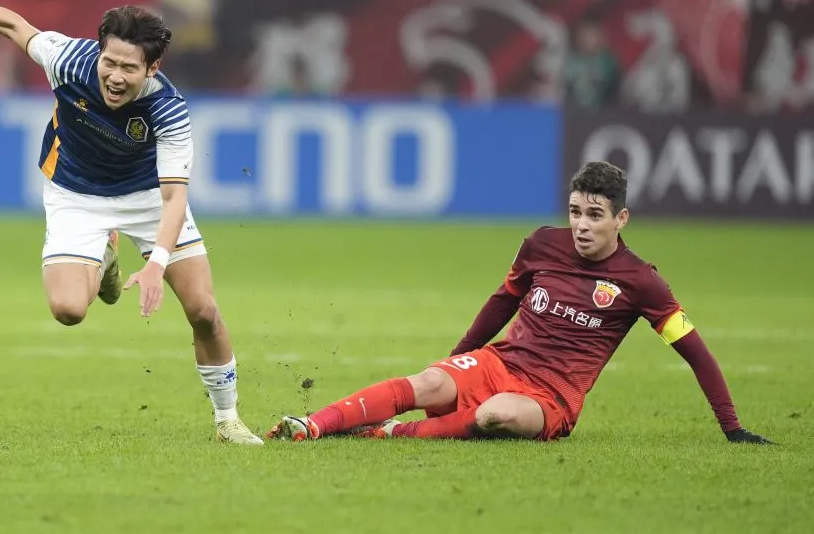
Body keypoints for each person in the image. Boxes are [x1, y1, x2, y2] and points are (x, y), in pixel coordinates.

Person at [0, 0, 263, 445]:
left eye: (129, 68)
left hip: (146, 199)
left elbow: (175, 197)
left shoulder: (168, 108)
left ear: (152, 68)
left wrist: (156, 264)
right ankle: (105, 257)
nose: (115, 76)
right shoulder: (69, 60)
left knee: (203, 311)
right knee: (68, 309)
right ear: (98, 51)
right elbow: (13, 24)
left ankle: (227, 420)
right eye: (109, 62)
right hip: (76, 194)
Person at [268, 161, 773, 444]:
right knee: (428, 383)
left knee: (496, 415)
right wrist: (455, 359)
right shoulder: (541, 245)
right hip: (500, 363)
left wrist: (732, 428)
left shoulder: (642, 282)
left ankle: (391, 434)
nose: (581, 225)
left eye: (595, 215)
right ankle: (312, 425)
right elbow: (501, 303)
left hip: (551, 398)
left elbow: (697, 354)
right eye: (575, 212)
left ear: (621, 219)